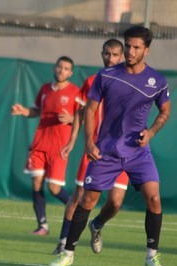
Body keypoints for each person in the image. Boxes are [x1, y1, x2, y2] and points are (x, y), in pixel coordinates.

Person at [50, 26, 171, 266]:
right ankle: (68, 254)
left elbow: (165, 112)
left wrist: (150, 133)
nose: (130, 51)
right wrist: (88, 143)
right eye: (128, 45)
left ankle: (152, 258)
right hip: (106, 151)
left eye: (136, 47)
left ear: (146, 50)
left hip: (138, 152)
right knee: (88, 200)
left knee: (154, 199)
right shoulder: (106, 76)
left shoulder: (157, 81)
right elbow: (90, 110)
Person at [53, 39, 128, 255]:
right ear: (102, 54)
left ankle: (97, 225)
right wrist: (72, 141)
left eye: (115, 55)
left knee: (114, 202)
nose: (111, 59)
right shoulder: (93, 81)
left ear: (122, 57)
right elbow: (79, 112)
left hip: (120, 152)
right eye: (107, 54)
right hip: (93, 150)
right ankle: (63, 242)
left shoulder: (130, 81)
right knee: (78, 197)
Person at [11, 56, 79, 235]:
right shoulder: (45, 89)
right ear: (54, 68)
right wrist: (23, 111)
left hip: (59, 147)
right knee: (36, 183)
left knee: (54, 188)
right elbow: (36, 111)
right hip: (40, 144)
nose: (61, 70)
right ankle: (43, 225)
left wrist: (72, 119)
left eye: (66, 68)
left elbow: (85, 119)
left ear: (70, 73)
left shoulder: (75, 93)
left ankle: (78, 212)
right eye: (59, 66)